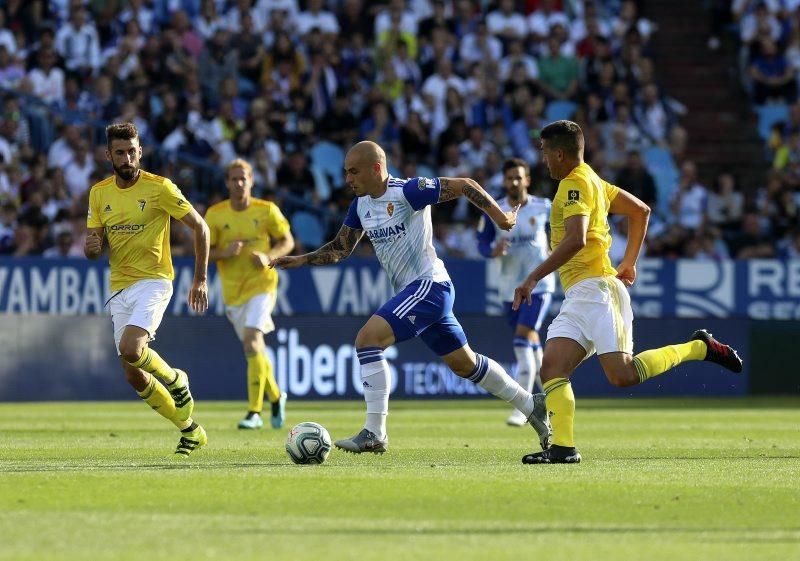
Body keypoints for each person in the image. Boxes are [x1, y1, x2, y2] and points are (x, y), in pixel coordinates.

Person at [272, 141, 552, 455]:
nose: (348, 179)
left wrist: (499, 217)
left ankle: (374, 432)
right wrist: (301, 260)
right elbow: (340, 248)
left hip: (428, 285)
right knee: (465, 364)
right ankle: (531, 405)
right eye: (345, 172)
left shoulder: (408, 191)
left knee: (367, 340)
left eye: (354, 171)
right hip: (420, 292)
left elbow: (464, 185)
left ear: (376, 169)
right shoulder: (361, 205)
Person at [512, 121, 743, 464]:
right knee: (552, 368)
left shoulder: (573, 185)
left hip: (598, 291)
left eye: (545, 151)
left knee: (622, 375)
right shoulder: (594, 180)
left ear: (559, 153)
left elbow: (576, 239)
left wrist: (532, 277)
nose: (543, 159)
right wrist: (630, 262)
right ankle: (563, 449)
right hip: (579, 294)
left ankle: (699, 347)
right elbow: (641, 211)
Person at [85, 122, 210, 457]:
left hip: (154, 280)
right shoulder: (99, 193)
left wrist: (200, 278)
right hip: (119, 286)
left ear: (140, 151)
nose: (127, 158)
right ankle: (190, 430)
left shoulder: (161, 188)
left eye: (132, 151)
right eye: (120, 152)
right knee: (133, 375)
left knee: (131, 347)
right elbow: (93, 246)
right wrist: (92, 246)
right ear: (108, 155)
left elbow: (201, 227)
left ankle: (176, 380)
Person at [205, 158, 294, 430]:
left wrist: (269, 256)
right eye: (234, 179)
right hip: (234, 293)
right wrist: (224, 253)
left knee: (252, 341)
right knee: (255, 349)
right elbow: (204, 252)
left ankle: (254, 412)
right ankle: (277, 397)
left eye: (244, 178)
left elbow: (288, 241)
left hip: (262, 285)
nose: (239, 183)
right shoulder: (216, 214)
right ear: (227, 183)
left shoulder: (267, 210)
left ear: (252, 181)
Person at [476, 158, 555, 427]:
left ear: (527, 180)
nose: (514, 182)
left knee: (523, 337)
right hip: (507, 288)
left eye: (518, 177)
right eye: (509, 178)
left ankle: (523, 408)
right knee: (531, 345)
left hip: (538, 285)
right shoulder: (493, 210)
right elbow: (482, 243)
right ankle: (552, 401)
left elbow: (560, 235)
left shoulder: (544, 207)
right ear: (503, 181)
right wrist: (492, 251)